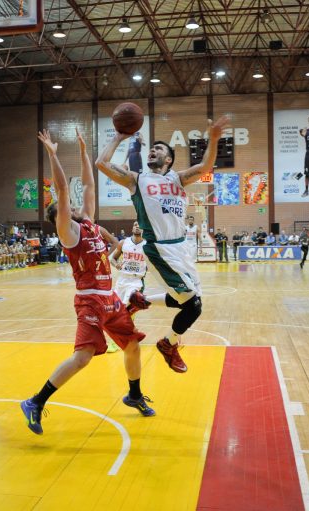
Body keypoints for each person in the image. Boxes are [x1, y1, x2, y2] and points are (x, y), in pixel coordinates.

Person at [20, 129, 152, 436]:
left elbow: (90, 185)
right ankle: (35, 402)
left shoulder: (90, 224)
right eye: (69, 208)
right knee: (83, 358)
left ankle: (134, 394)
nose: (76, 208)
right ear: (62, 216)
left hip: (110, 298)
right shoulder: (69, 233)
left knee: (132, 346)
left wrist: (82, 151)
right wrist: (53, 154)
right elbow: (63, 190)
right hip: (90, 300)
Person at [96, 115, 231, 373]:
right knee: (192, 306)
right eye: (152, 148)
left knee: (190, 301)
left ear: (168, 159)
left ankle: (140, 300)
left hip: (182, 249)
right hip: (159, 248)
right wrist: (118, 137)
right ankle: (168, 344)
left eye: (159, 149)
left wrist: (213, 139)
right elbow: (101, 163)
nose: (153, 151)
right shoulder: (137, 180)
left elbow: (205, 167)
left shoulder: (177, 179)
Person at [108, 221, 149, 353]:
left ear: (143, 229)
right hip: (122, 280)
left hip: (136, 281)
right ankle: (125, 335)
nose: (137, 226)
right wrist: (116, 265)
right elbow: (112, 258)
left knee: (126, 308)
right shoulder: (123, 243)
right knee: (116, 310)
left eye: (140, 225)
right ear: (132, 228)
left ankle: (119, 340)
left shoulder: (147, 245)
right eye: (135, 225)